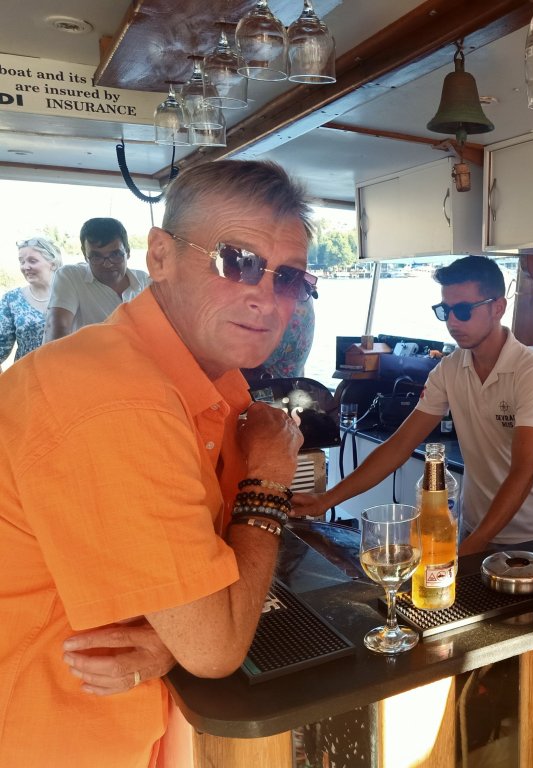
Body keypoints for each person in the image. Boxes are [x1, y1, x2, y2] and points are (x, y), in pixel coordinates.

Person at [0, 160, 319, 766]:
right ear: (161, 256)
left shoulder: (211, 383)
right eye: (237, 261)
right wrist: (270, 478)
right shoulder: (118, 398)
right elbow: (216, 647)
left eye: (289, 277)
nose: (264, 295)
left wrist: (173, 638)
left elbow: (212, 586)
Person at [294, 255, 533, 554]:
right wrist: (325, 500)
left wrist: (472, 548)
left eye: (463, 310)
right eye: (445, 311)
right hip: (475, 528)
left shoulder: (531, 372)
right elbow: (399, 446)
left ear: (498, 307)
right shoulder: (450, 369)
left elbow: (523, 471)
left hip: (532, 538)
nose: (452, 322)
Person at [43, 217, 150, 342]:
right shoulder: (71, 277)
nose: (107, 264)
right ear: (85, 255)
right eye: (96, 257)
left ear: (128, 251)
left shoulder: (144, 280)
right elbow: (57, 327)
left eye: (115, 255)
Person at [0, 235, 62, 367]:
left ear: (53, 263)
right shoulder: (12, 300)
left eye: (32, 261)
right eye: (22, 262)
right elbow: (1, 347)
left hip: (68, 374)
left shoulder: (72, 294)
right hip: (28, 376)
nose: (25, 267)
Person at [242, 296, 316, 382]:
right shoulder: (303, 297)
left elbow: (246, 363)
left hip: (264, 385)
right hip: (287, 384)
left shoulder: (286, 311)